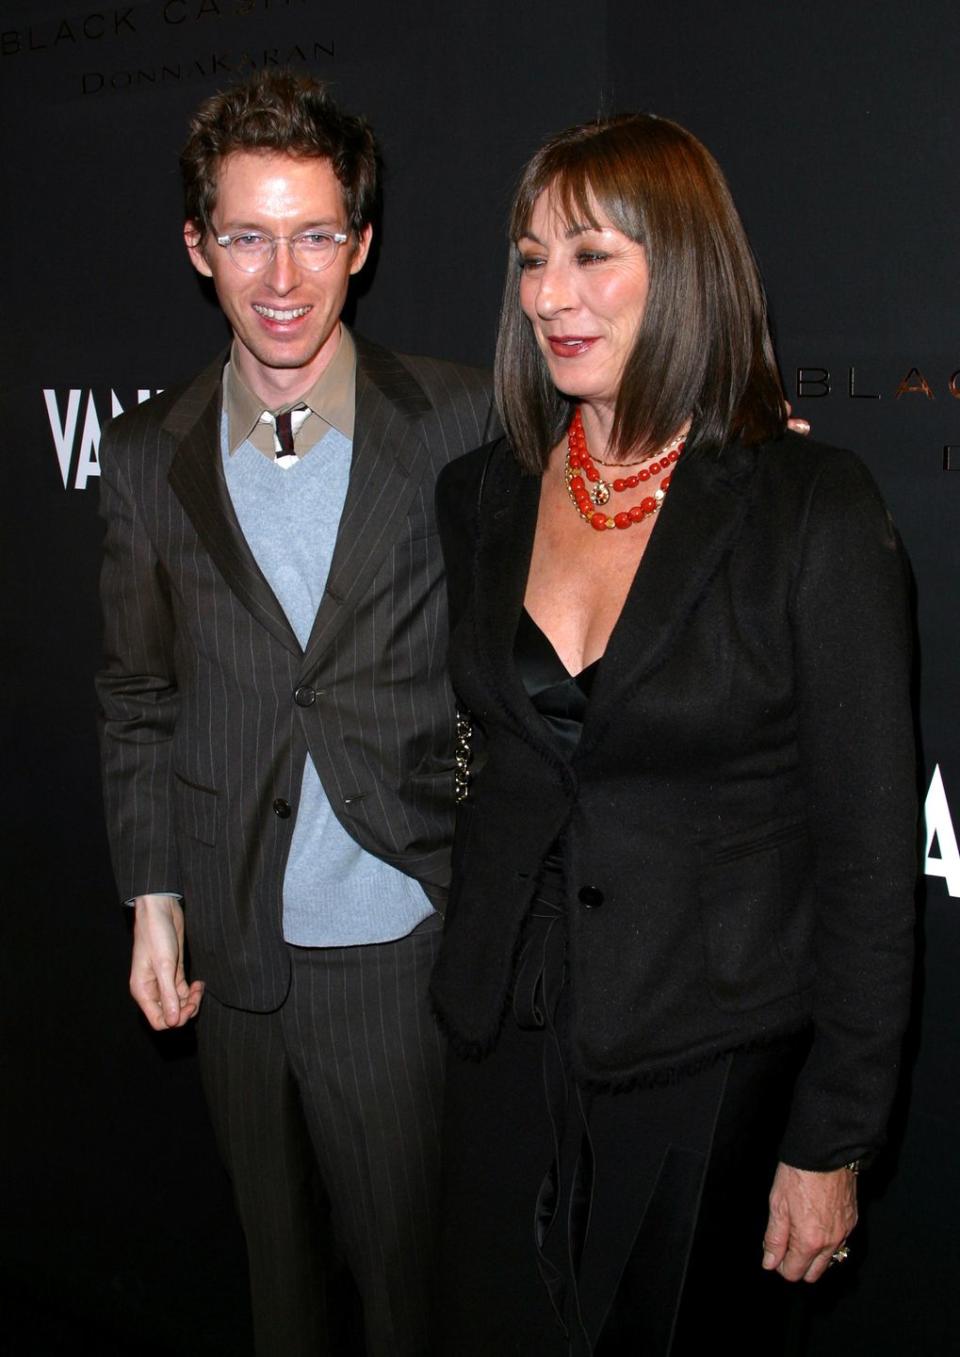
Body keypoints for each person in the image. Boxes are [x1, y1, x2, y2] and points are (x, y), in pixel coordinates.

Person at [431, 113, 916, 1355]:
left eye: (591, 255)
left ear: (685, 262)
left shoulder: (809, 507)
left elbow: (868, 860)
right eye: (531, 259)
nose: (550, 295)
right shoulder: (481, 490)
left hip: (706, 1068)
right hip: (503, 1041)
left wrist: (833, 1138)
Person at [96, 69, 494, 1357]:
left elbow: (617, 478)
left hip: (397, 942)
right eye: (250, 236)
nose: (283, 276)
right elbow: (137, 692)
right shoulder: (147, 450)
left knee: (406, 1295)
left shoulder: (459, 422)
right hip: (233, 946)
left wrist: (732, 450)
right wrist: (153, 894)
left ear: (361, 244)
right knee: (281, 1294)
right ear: (199, 245)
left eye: (316, 234)